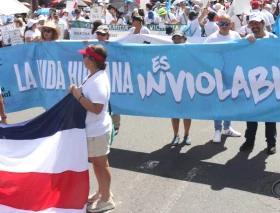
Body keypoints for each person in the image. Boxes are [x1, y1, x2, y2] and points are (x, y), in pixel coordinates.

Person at [68, 44, 115, 212]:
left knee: (101, 164)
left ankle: (106, 198)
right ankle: (102, 192)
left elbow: (96, 108)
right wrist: (76, 91)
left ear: (93, 60)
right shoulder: (93, 75)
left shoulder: (98, 81)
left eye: (85, 56)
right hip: (93, 129)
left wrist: (78, 95)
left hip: (97, 130)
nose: (83, 58)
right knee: (96, 163)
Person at [242, 15, 278, 154]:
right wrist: (245, 40)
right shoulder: (248, 39)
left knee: (270, 117)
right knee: (251, 116)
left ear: (263, 23)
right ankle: (249, 141)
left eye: (257, 23)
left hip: (271, 84)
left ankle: (271, 143)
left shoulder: (273, 39)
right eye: (252, 24)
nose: (255, 26)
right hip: (252, 84)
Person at [204, 14, 242, 143]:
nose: (224, 26)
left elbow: (243, 51)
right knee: (219, 102)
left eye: (227, 24)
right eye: (221, 23)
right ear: (217, 24)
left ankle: (227, 127)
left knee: (230, 101)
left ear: (231, 24)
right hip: (217, 75)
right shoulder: (211, 38)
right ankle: (217, 130)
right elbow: (202, 54)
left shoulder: (236, 36)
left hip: (232, 74)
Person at [170, 30, 192, 146]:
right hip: (173, 84)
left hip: (187, 84)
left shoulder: (191, 50)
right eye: (175, 38)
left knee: (187, 112)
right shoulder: (168, 51)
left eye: (179, 38)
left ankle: (187, 134)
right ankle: (175, 135)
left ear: (184, 38)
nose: (177, 40)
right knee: (174, 112)